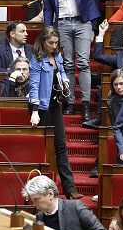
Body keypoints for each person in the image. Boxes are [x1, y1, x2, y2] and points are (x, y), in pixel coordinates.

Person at [42, 0, 110, 120]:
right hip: (62, 24)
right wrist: (48, 32)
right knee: (69, 66)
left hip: (82, 21)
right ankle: (71, 103)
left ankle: (86, 105)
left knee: (83, 63)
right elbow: (48, 10)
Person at [29, 26, 83, 199]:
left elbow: (61, 73)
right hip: (41, 107)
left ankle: (70, 188)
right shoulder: (36, 59)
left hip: (55, 104)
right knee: (46, 148)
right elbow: (34, 86)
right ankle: (44, 190)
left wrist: (65, 81)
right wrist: (35, 110)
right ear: (43, 42)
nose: (54, 45)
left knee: (61, 145)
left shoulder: (57, 56)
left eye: (56, 42)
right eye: (51, 43)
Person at [21, 175, 107, 230]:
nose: (34, 204)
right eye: (33, 200)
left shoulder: (75, 207)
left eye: (36, 199)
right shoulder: (38, 217)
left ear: (50, 194)